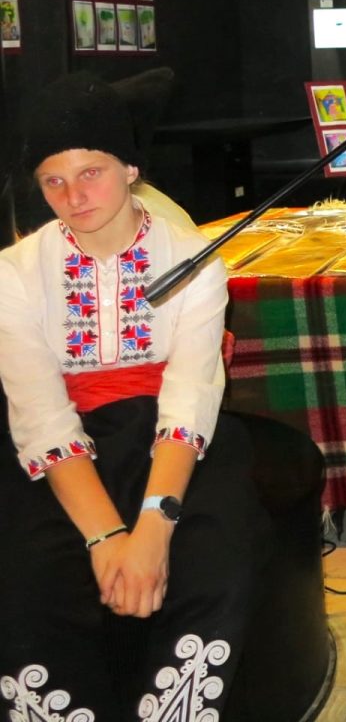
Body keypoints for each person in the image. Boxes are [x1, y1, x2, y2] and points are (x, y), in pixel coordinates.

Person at [0, 73, 264, 722]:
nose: (73, 197)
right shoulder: (15, 274)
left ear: (130, 168)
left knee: (216, 562)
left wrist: (151, 530)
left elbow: (189, 395)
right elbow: (42, 413)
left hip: (172, 440)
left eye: (90, 173)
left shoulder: (194, 260)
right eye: (53, 181)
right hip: (66, 449)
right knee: (31, 582)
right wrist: (105, 538)